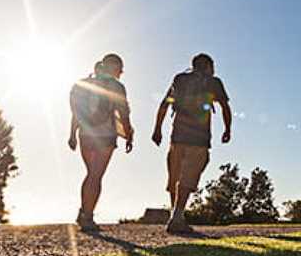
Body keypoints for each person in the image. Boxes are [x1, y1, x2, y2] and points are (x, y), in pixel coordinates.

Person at [152, 53, 231, 233]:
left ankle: (176, 216)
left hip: (177, 134)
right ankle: (177, 216)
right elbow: (225, 107)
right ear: (208, 66)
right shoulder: (214, 82)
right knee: (188, 176)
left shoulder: (179, 79)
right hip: (199, 138)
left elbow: (165, 104)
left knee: (176, 175)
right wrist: (227, 130)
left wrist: (157, 129)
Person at [68, 53, 134, 231]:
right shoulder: (117, 87)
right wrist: (129, 134)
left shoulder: (83, 84)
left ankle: (84, 212)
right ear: (114, 68)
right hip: (105, 136)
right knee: (96, 175)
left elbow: (76, 113)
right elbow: (123, 114)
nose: (121, 73)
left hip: (85, 135)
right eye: (120, 69)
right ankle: (87, 217)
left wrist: (72, 134)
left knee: (91, 174)